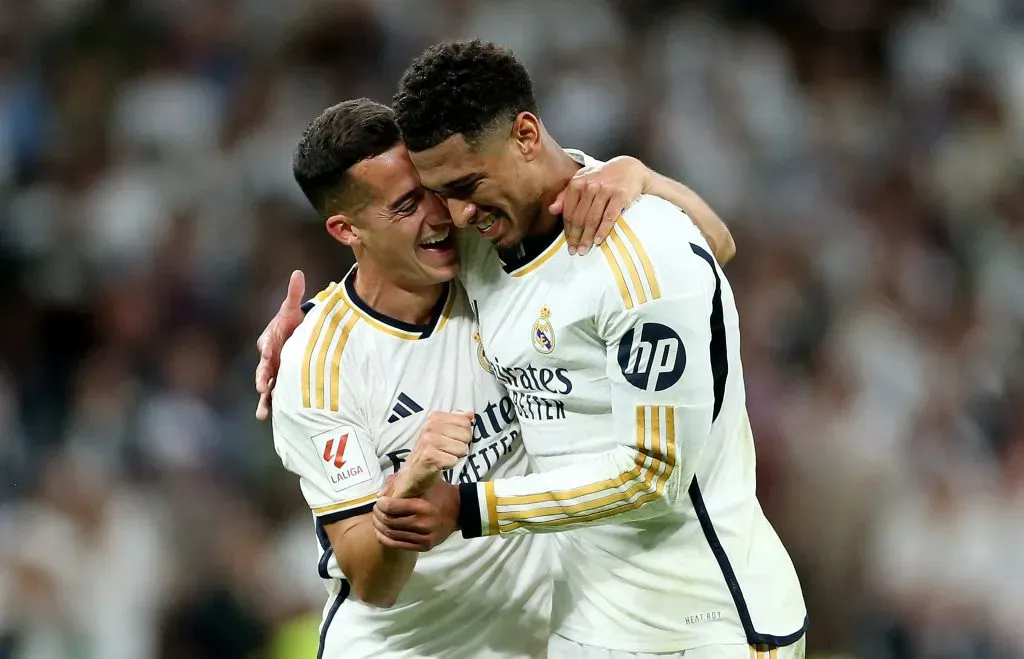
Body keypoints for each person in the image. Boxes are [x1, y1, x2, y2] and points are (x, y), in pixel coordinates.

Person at [368, 40, 807, 659]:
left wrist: (469, 508)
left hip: (707, 627)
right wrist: (300, 332)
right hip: (585, 627)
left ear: (525, 134)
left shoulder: (639, 251)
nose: (460, 214)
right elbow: (381, 276)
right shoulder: (482, 243)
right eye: (443, 193)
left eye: (468, 184)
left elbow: (653, 475)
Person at [269, 97, 736, 659]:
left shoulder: (489, 253)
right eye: (407, 205)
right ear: (347, 229)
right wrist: (414, 483)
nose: (442, 215)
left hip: (541, 637)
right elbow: (373, 582)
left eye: (435, 189)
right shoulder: (320, 367)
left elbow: (715, 244)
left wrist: (637, 174)